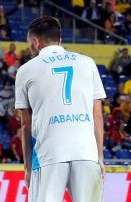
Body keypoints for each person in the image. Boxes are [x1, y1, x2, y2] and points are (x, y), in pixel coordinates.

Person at [15, 16, 105, 201]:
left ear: (35, 42)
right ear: (60, 41)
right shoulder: (88, 63)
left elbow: (25, 123)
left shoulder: (26, 70)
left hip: (49, 153)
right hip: (86, 152)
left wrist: (27, 167)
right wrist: (100, 157)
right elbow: (97, 116)